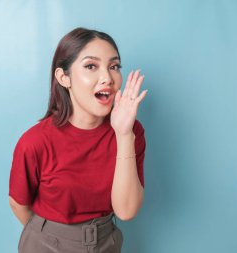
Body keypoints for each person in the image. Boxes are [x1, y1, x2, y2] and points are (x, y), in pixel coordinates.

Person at [8, 27, 148, 253]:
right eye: (91, 66)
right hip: (46, 244)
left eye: (114, 67)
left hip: (106, 242)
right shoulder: (35, 141)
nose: (107, 78)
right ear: (64, 78)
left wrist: (124, 135)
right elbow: (18, 203)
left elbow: (126, 211)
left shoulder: (131, 132)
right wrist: (51, 236)